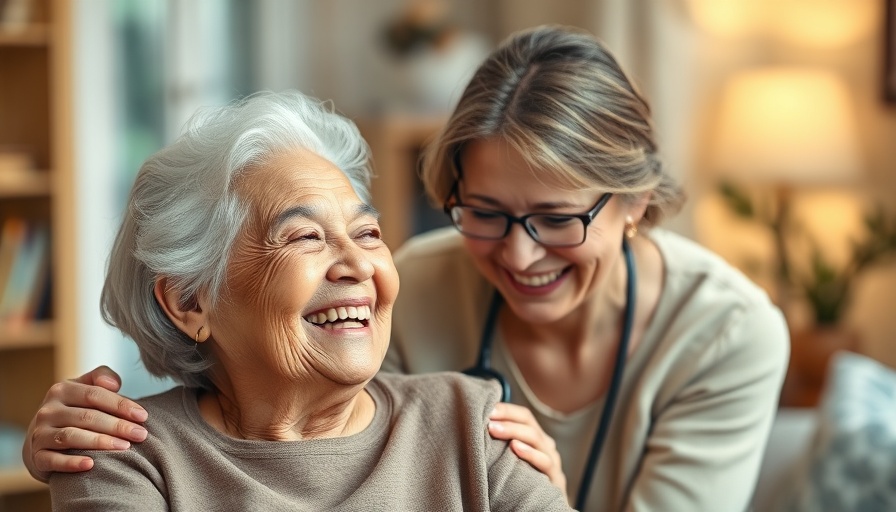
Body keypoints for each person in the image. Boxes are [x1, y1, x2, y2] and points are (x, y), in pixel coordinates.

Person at [25, 25, 789, 511]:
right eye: (484, 213)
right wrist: (62, 444)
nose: (518, 255)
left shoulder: (724, 333)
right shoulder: (418, 280)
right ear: (188, 299)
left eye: (558, 219)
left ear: (637, 203)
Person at [46, 90, 571, 511]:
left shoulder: (472, 424)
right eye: (305, 238)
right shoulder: (125, 460)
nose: (360, 266)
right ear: (189, 301)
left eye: (366, 233)